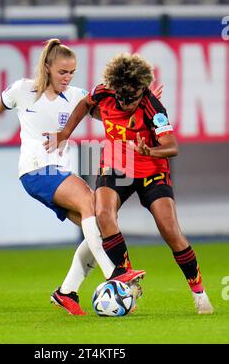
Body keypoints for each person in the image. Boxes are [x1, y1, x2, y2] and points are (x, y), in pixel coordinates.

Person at [0, 39, 149, 316]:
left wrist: (142, 105)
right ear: (47, 67)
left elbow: (111, 116)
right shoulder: (23, 89)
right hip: (34, 170)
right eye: (62, 72)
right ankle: (114, 272)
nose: (67, 78)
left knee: (102, 228)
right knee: (91, 205)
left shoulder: (78, 95)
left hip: (59, 172)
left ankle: (66, 291)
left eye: (72, 73)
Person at [43, 52, 214, 315]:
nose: (125, 103)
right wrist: (65, 134)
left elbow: (172, 147)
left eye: (131, 98)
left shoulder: (152, 107)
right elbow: (84, 104)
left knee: (171, 231)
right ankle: (126, 278)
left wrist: (151, 152)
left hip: (151, 169)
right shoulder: (104, 92)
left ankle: (199, 292)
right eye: (121, 97)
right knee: (103, 214)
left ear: (142, 90)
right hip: (115, 166)